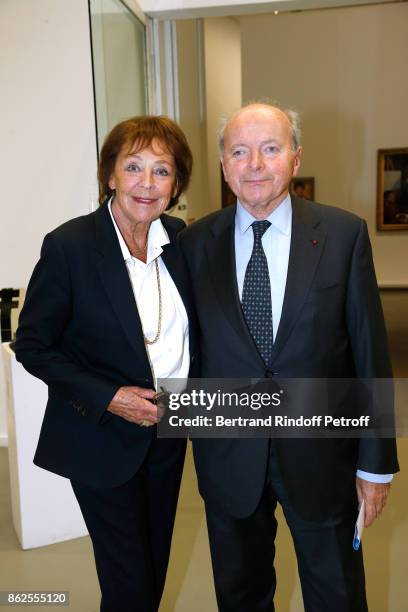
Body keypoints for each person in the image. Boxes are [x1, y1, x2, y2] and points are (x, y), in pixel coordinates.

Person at [180, 103, 399, 612]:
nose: (255, 163)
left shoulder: (343, 235)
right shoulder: (192, 246)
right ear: (223, 163)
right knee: (241, 594)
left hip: (322, 456)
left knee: (337, 593)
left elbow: (369, 352)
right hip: (229, 456)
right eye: (240, 151)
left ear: (296, 159)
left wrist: (376, 464)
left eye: (270, 148)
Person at [15, 115, 197, 612]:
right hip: (100, 437)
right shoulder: (71, 246)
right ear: (110, 175)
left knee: (154, 567)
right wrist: (110, 397)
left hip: (168, 433)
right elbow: (32, 344)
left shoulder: (181, 243)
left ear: (176, 184)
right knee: (128, 581)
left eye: (162, 171)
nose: (146, 182)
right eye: (133, 166)